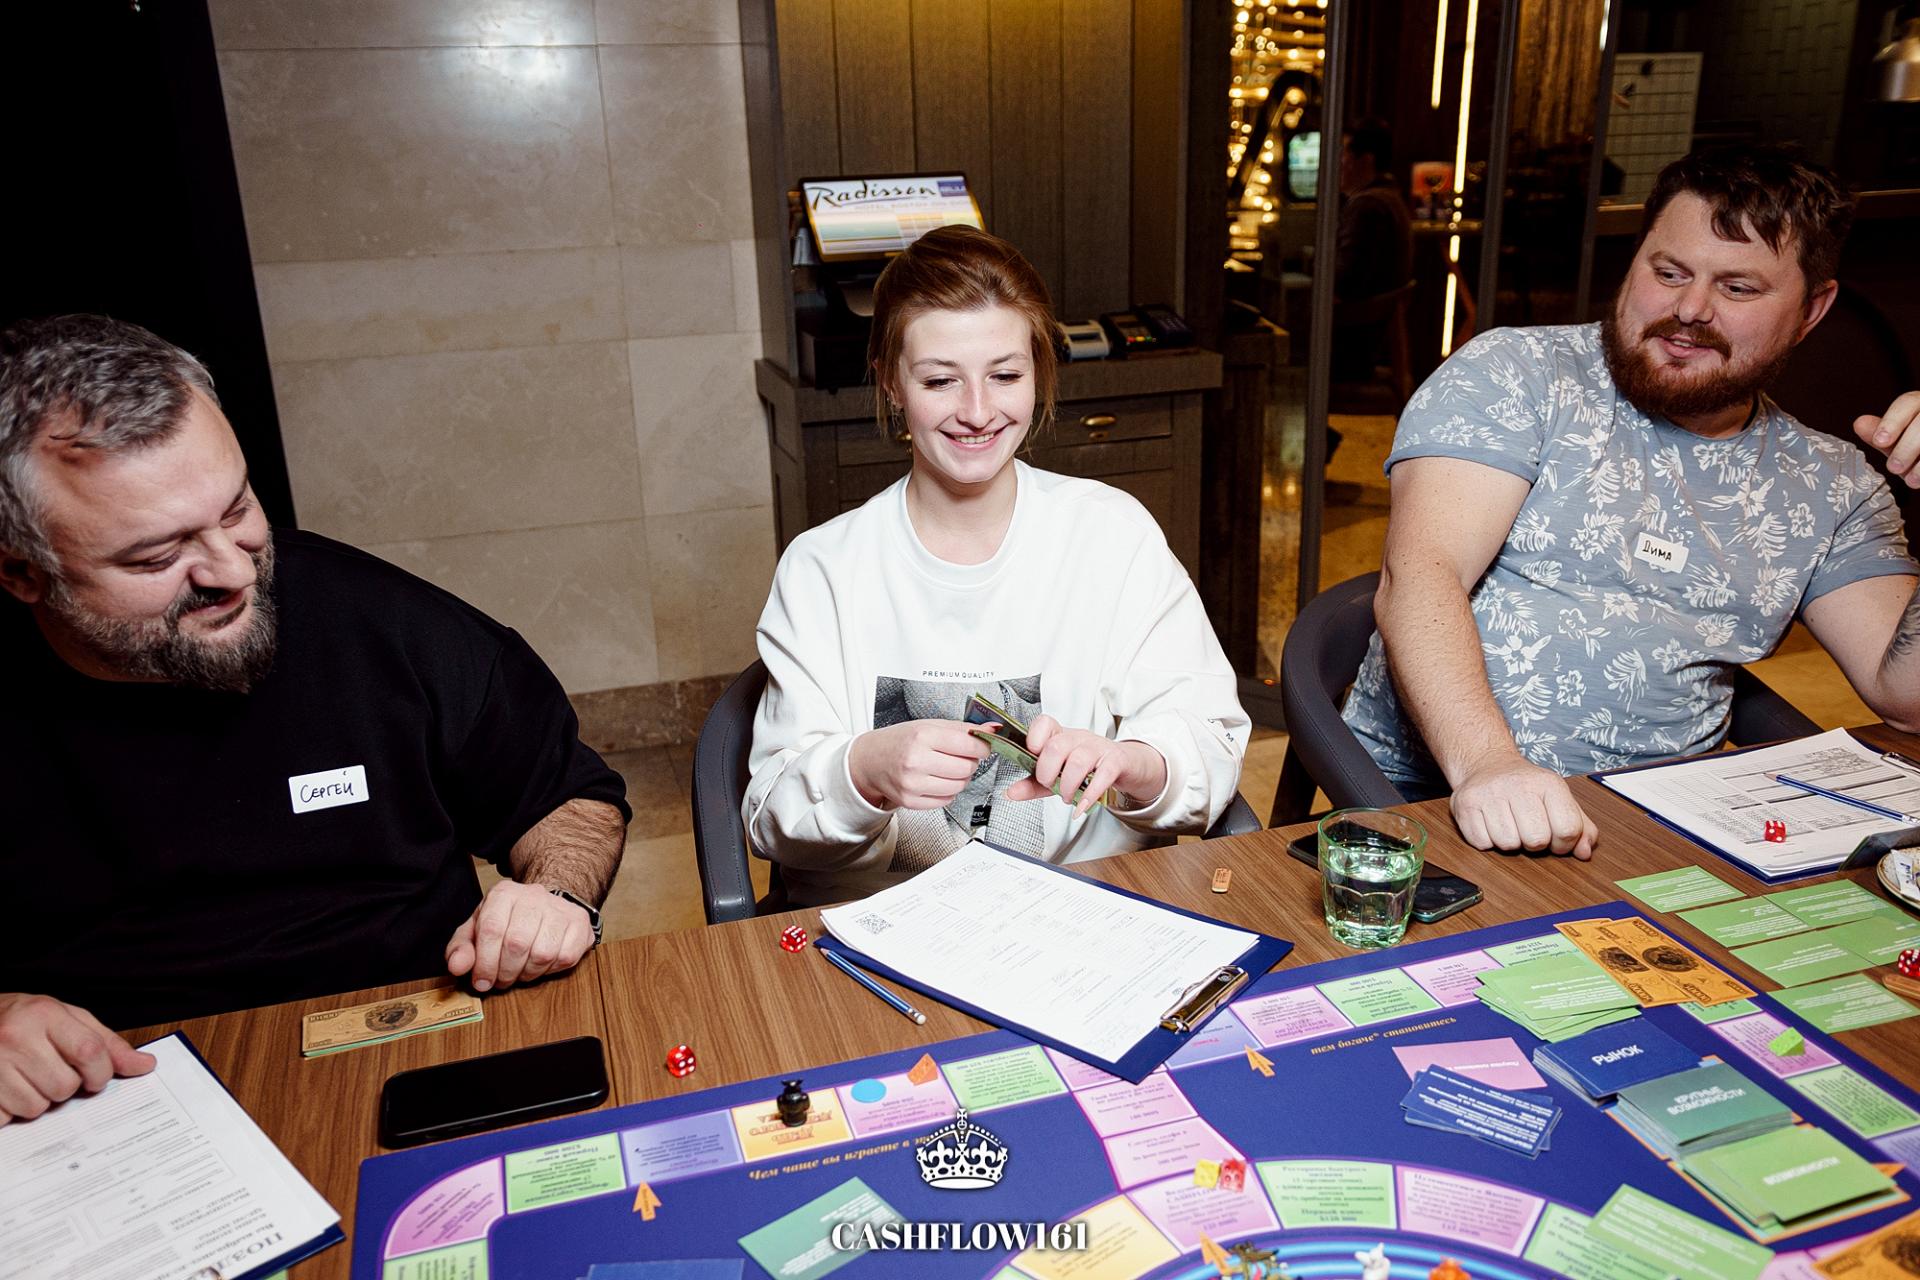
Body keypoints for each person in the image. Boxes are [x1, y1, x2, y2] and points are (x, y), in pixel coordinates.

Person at [0, 314, 630, 1123]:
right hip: (105, 1100)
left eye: (237, 509)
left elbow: (568, 798)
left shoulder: (378, 622)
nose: (233, 573)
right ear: (21, 571)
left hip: (412, 1041)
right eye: (158, 556)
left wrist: (554, 894)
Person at [1343, 144, 1920, 861]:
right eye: (1668, 272)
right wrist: (1490, 765)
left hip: (1666, 823)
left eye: (1738, 288)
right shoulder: (1521, 375)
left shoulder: (1830, 481)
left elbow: (1905, 699)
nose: (1690, 310)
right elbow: (1421, 573)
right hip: (1432, 795)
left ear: (1812, 310)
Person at [745, 226, 1247, 904]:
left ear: (1038, 372)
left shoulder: (1112, 535)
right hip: (882, 921)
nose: (977, 412)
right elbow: (770, 817)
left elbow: (1209, 745)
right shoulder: (822, 571)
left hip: (1082, 908)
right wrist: (861, 770)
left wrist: (1134, 763)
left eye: (1005, 376)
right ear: (891, 381)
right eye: (940, 380)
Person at [1331, 117, 1415, 388]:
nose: (1337, 163)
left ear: (1365, 160)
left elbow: (1344, 280)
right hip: (1374, 337)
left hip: (1352, 344)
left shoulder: (1366, 206)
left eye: (1343, 154)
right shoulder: (1390, 196)